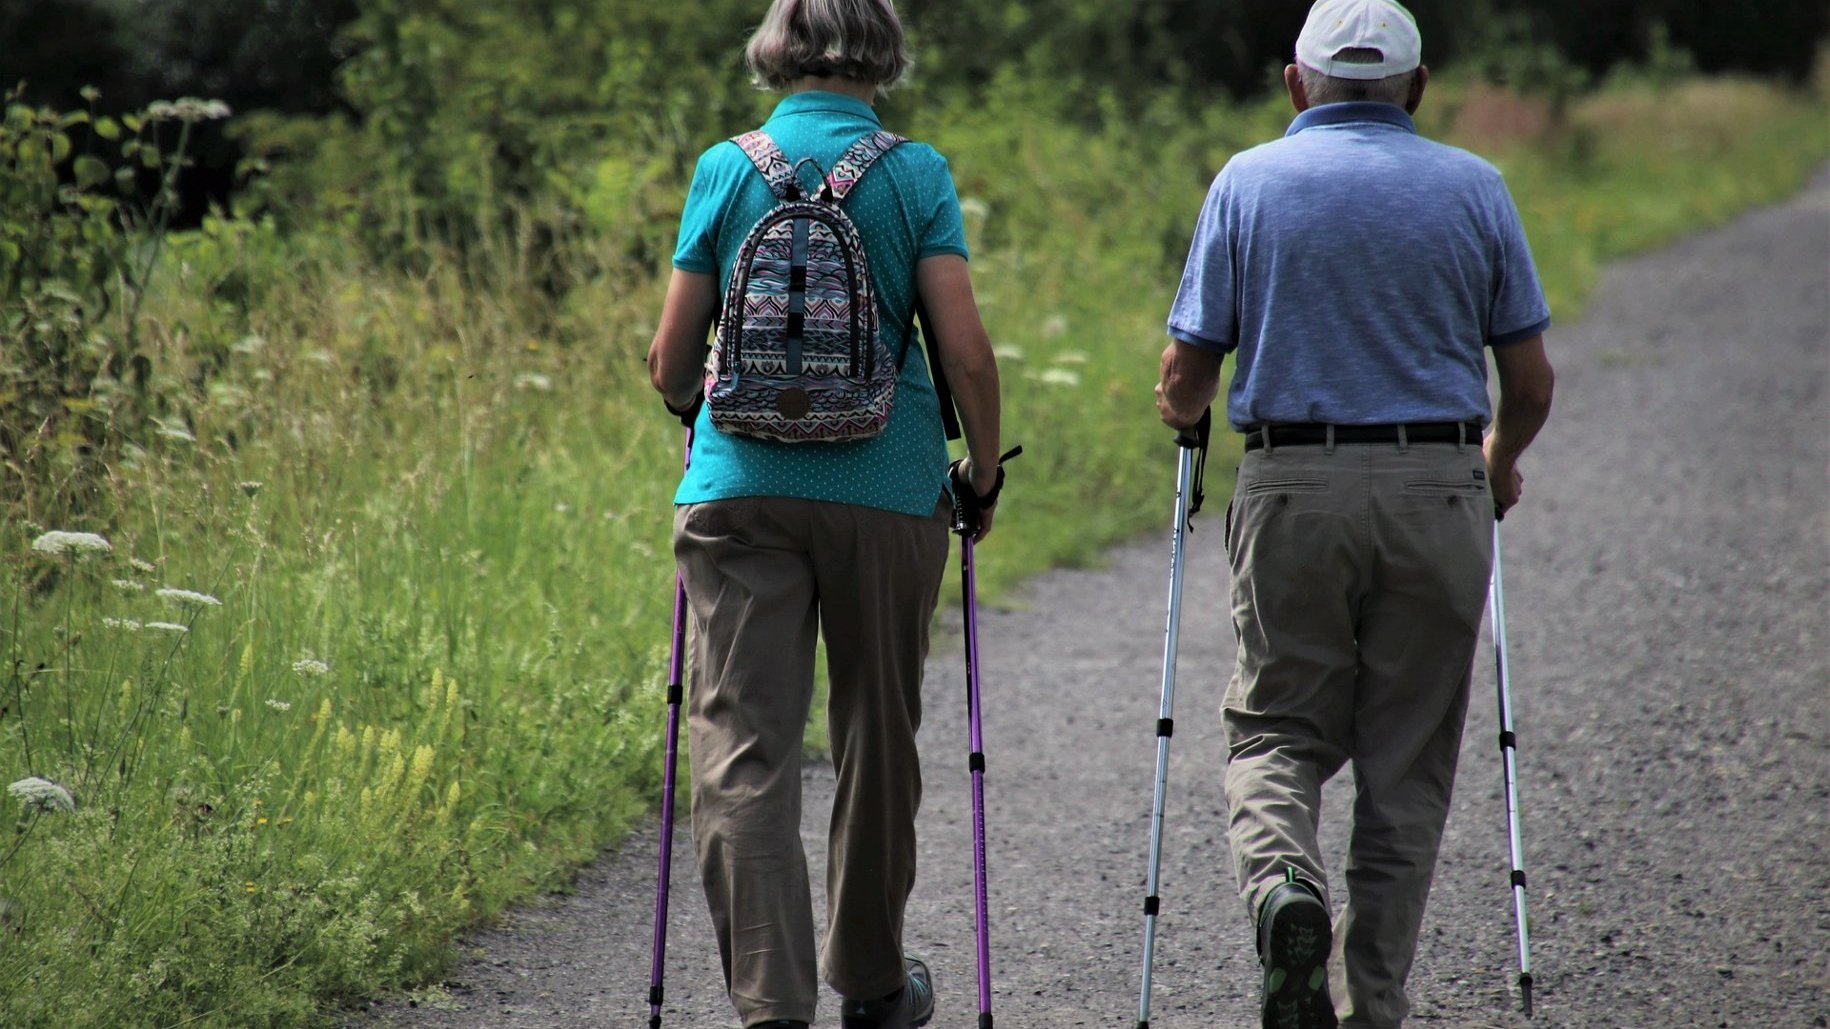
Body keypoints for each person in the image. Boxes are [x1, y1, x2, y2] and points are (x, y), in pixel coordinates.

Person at [1153, 1, 1556, 1026]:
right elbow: (1531, 379)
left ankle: (1286, 885)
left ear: (1298, 83)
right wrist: (1498, 463)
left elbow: (1188, 370)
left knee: (1275, 729)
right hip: (1436, 488)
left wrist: (1181, 411)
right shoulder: (1476, 188)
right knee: (1405, 763)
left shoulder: (1248, 181)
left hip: (1295, 487)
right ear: (1417, 89)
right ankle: (1372, 1001)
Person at [645, 1, 1004, 1026]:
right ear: (884, 56)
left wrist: (697, 411)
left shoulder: (727, 167)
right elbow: (966, 351)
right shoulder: (916, 172)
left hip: (740, 494)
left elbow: (672, 363)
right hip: (888, 491)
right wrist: (978, 472)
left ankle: (773, 1006)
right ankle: (875, 984)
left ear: (776, 50)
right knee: (874, 735)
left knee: (744, 748)